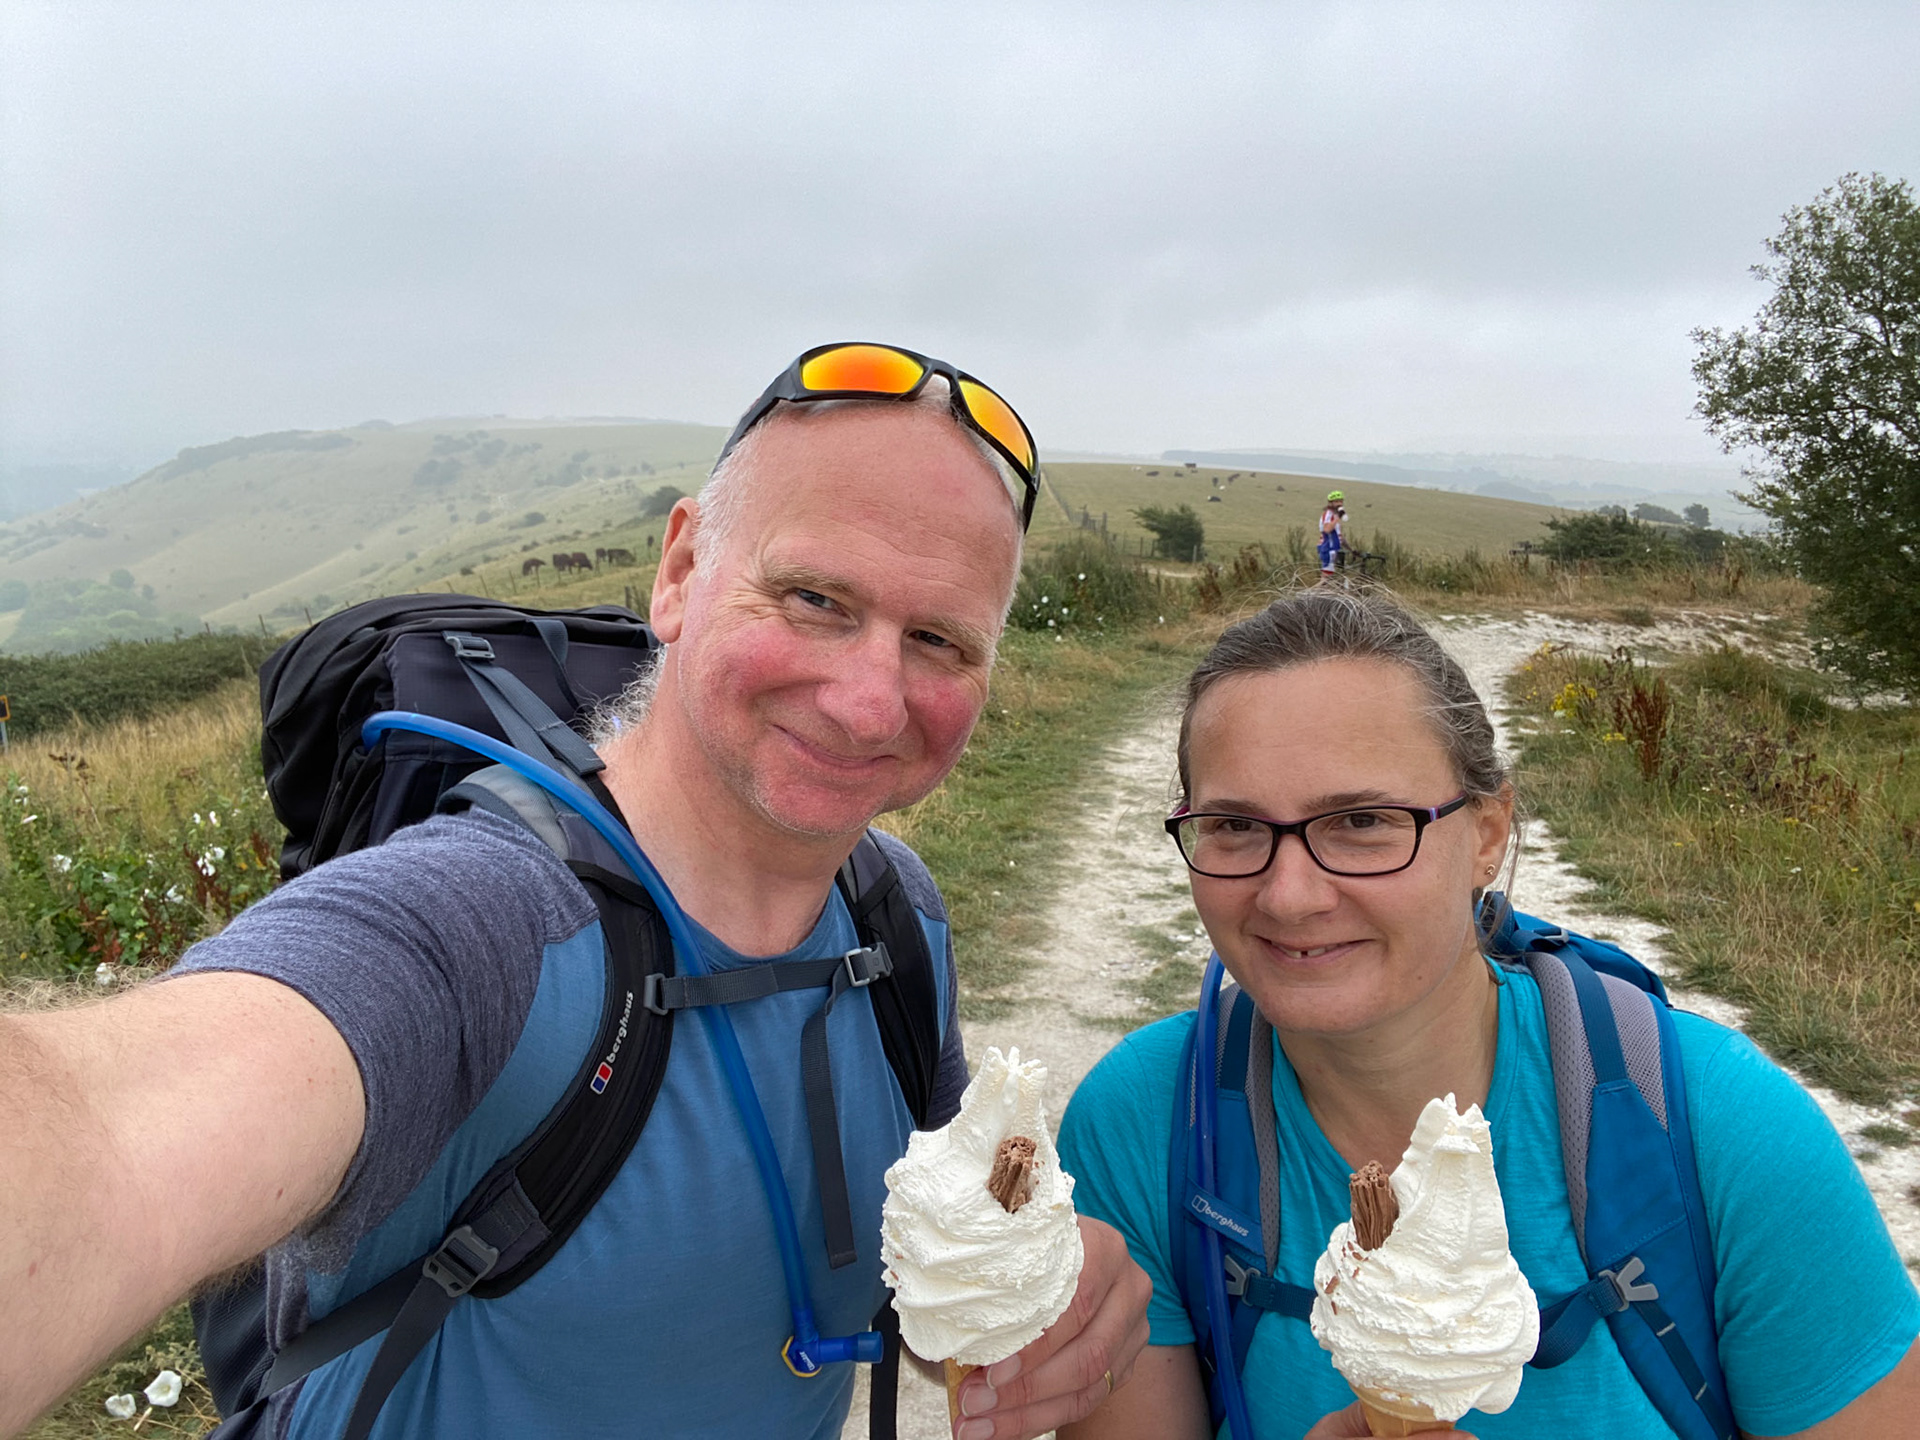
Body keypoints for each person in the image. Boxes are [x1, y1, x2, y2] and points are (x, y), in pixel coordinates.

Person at [0, 343, 1151, 1440]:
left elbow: (932, 1228)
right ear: (683, 570)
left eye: (941, 642)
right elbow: (104, 1142)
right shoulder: (478, 927)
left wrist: (1038, 1273)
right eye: (815, 600)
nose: (867, 702)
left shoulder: (898, 917)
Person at [1055, 588, 1919, 1439]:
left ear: (1489, 833)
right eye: (1235, 826)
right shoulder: (1143, 1125)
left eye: (1362, 820)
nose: (1289, 895)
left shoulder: (1726, 1133)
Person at [1317, 492, 1345, 581]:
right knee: (1325, 579)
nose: (1339, 504)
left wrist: (1351, 549)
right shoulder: (1329, 514)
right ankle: (1306, 594)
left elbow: (1339, 535)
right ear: (1331, 503)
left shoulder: (1334, 515)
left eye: (1341, 501)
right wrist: (1337, 518)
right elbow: (1327, 529)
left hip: (1334, 549)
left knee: (1329, 579)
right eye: (1336, 502)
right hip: (1328, 549)